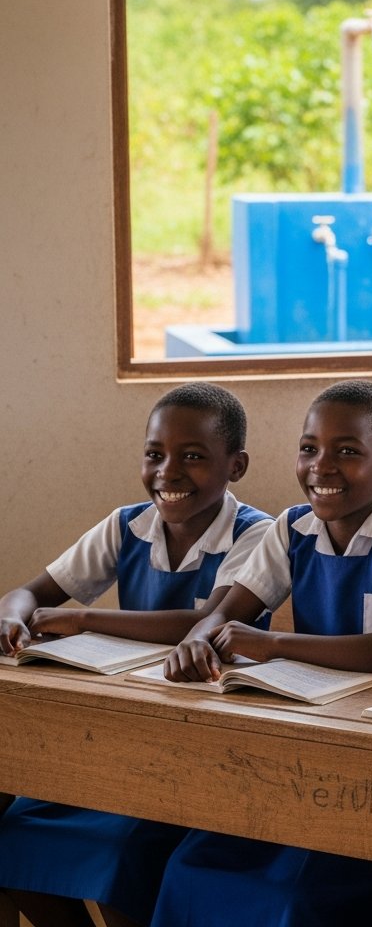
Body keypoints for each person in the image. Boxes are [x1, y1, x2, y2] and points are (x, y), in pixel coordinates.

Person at [149, 380, 372, 927]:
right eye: (309, 448)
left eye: (348, 452)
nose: (322, 466)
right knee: (189, 867)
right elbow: (228, 610)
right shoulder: (292, 528)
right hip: (307, 731)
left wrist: (274, 644)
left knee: (295, 896)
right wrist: (199, 636)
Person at [0, 382, 272, 927]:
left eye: (193, 457)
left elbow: (204, 623)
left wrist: (80, 617)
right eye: (155, 454)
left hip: (202, 748)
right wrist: (10, 615)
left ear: (235, 465)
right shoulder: (127, 525)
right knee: (14, 839)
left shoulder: (258, 534)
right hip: (117, 734)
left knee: (119, 860)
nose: (168, 472)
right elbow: (30, 593)